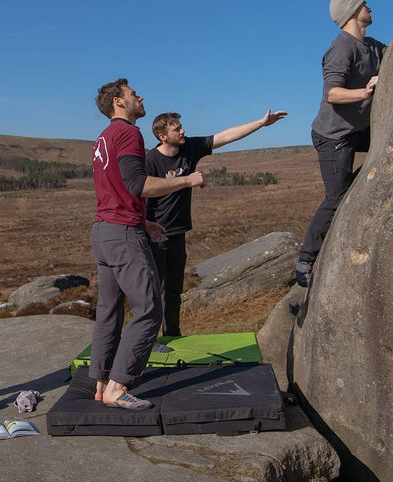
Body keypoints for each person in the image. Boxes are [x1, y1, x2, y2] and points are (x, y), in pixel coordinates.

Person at [90, 78, 206, 410]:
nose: (140, 97)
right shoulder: (128, 132)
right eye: (132, 94)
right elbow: (137, 184)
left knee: (109, 310)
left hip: (103, 230)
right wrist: (186, 180)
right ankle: (118, 385)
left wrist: (143, 220)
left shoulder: (103, 137)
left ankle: (99, 382)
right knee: (149, 309)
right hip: (122, 234)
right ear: (118, 102)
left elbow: (113, 188)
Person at [146, 108, 287, 337]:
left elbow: (225, 136)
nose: (183, 131)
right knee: (151, 293)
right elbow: (138, 193)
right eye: (176, 129)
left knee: (173, 292)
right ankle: (146, 343)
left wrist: (261, 123)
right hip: (155, 234)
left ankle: (172, 336)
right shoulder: (150, 160)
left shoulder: (189, 147)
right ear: (162, 136)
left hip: (178, 232)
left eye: (181, 127)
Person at [295, 0, 387, 287]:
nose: (370, 7)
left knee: (389, 151)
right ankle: (306, 258)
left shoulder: (372, 45)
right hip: (333, 136)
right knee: (336, 197)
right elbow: (333, 94)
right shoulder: (341, 48)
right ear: (352, 12)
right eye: (364, 5)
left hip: (357, 130)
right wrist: (366, 92)